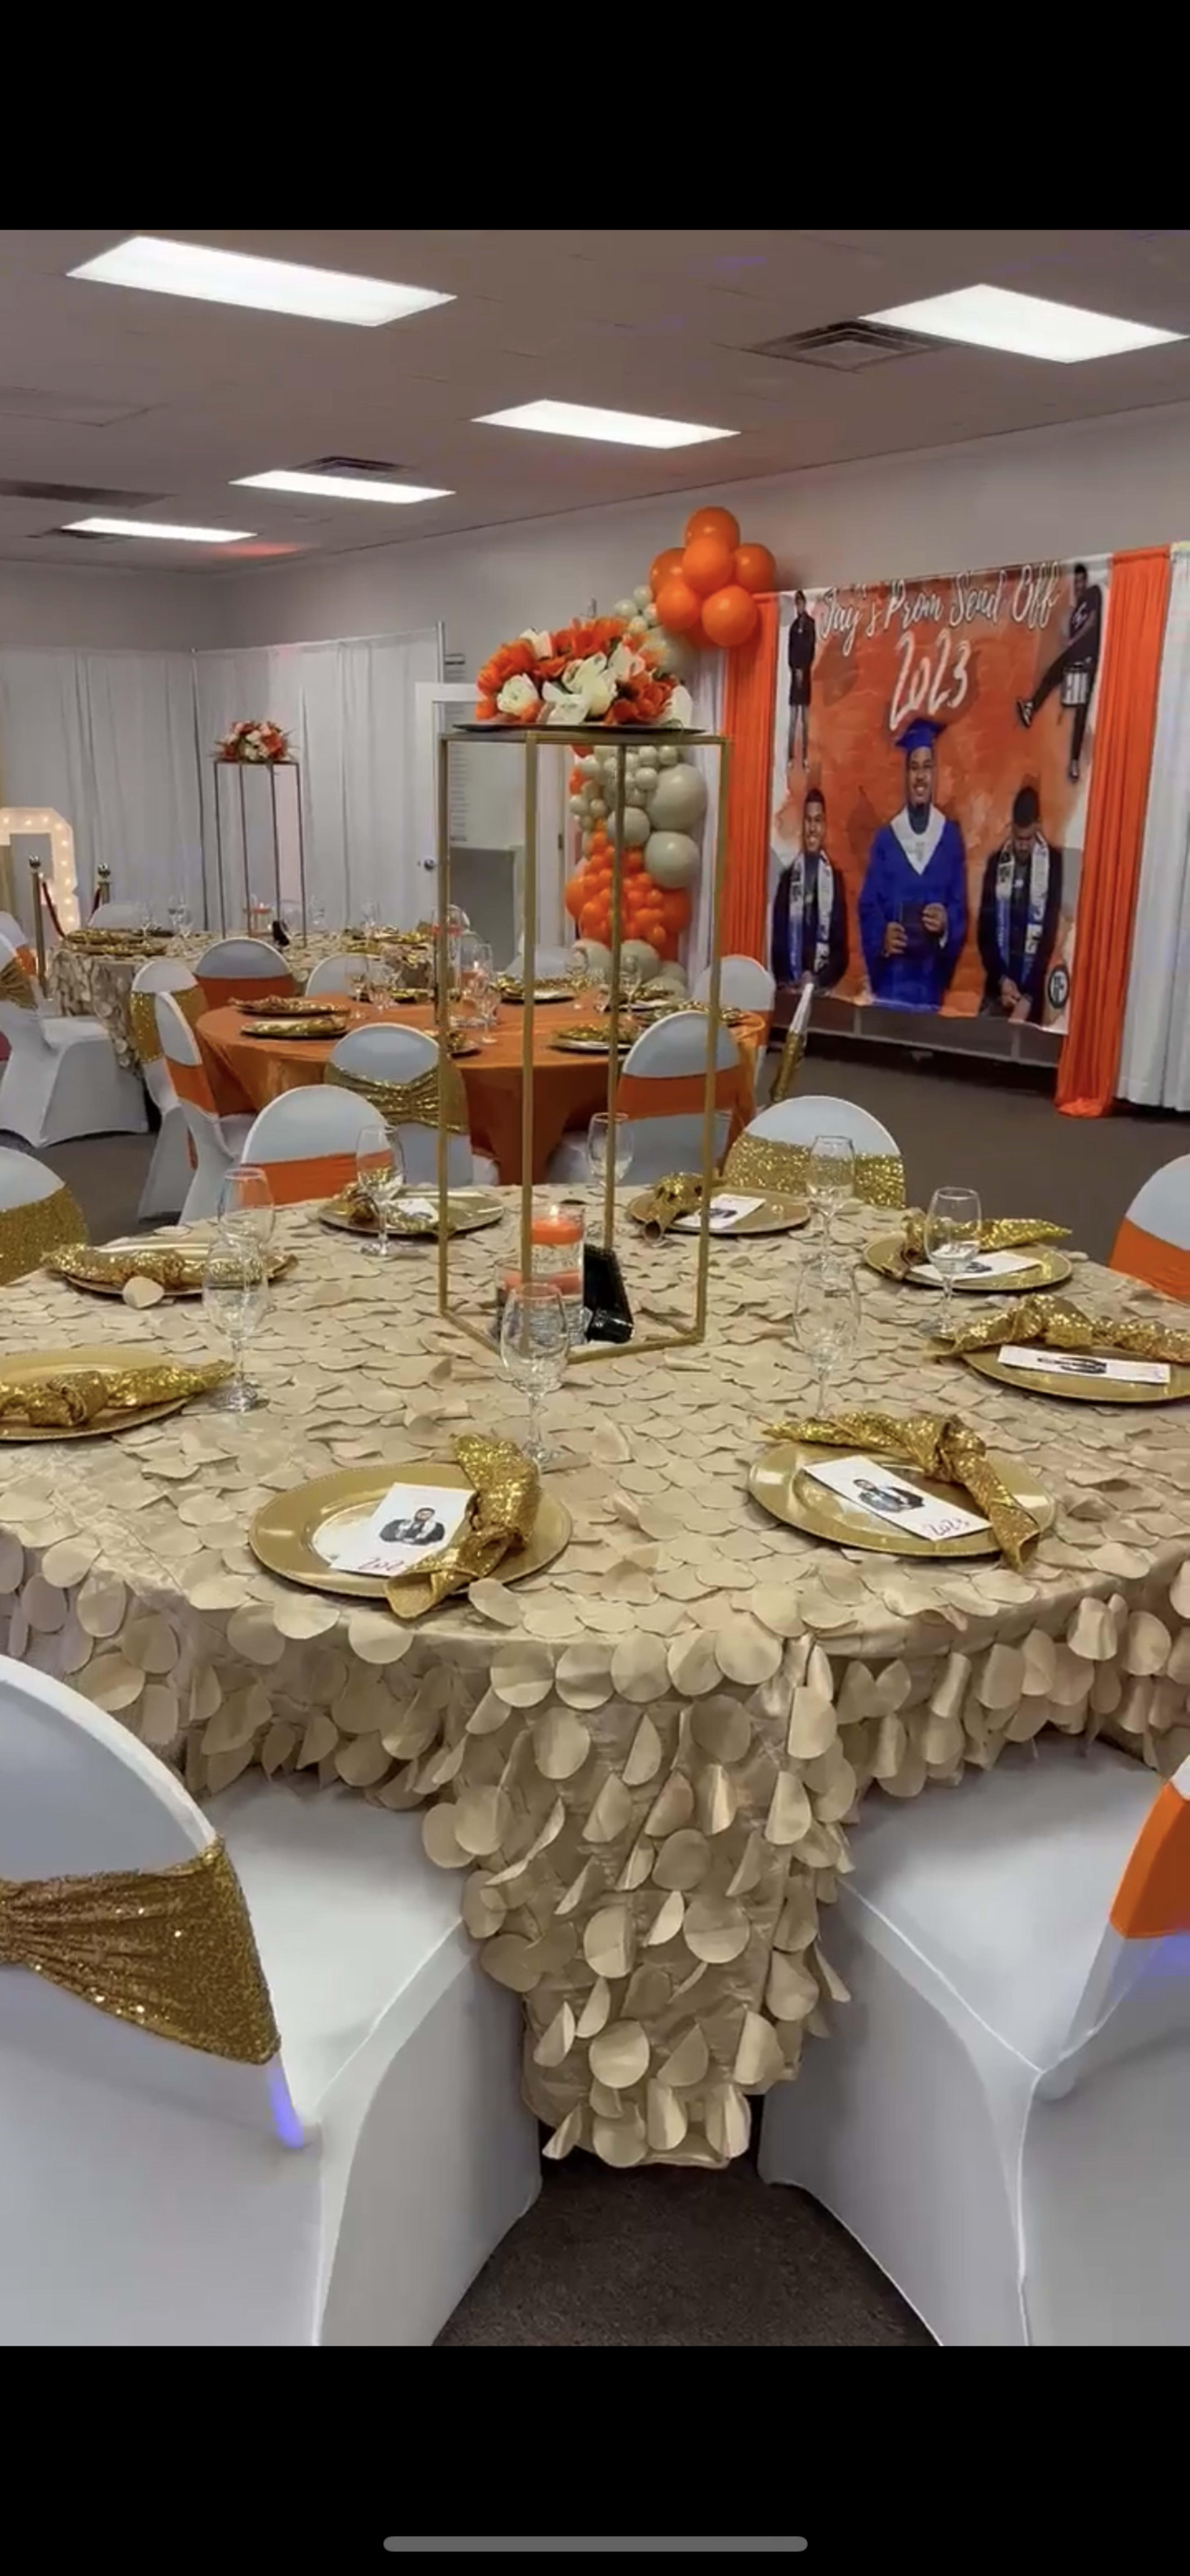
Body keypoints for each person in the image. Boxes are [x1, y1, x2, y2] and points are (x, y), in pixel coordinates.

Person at [858, 716, 967, 1011]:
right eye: (914, 768)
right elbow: (869, 906)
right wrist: (882, 937)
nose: (921, 777)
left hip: (930, 991)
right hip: (892, 988)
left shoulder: (950, 839)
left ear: (935, 776)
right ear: (905, 776)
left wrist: (946, 925)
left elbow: (959, 906)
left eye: (927, 768)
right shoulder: (886, 840)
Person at [976, 784, 1064, 1022]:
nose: (1023, 846)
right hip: (998, 989)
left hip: (1032, 995)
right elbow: (985, 932)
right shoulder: (997, 864)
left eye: (1028, 839)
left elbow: (1050, 935)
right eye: (1018, 838)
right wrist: (1002, 981)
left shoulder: (1054, 866)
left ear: (1038, 826)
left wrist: (1028, 998)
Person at [1016, 563, 1103, 782]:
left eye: (1082, 581)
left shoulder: (1094, 595)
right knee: (1052, 673)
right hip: (1074, 657)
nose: (1079, 586)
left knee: (1082, 712)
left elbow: (1093, 622)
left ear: (1087, 581)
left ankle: (1074, 762)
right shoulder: (1074, 614)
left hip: (1088, 660)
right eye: (1077, 583)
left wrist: (1074, 639)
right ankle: (1031, 708)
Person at [770, 783, 849, 990]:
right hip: (790, 988)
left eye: (818, 821)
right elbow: (778, 943)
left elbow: (841, 951)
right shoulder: (788, 880)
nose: (813, 828)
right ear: (802, 825)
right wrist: (788, 982)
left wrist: (818, 981)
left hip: (822, 992)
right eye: (808, 821)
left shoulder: (835, 881)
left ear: (825, 827)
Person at [787, 589, 816, 767]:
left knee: (805, 721)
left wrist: (803, 670)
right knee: (792, 721)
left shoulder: (811, 625)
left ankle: (805, 758)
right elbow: (790, 651)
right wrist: (794, 669)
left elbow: (811, 648)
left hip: (805, 677)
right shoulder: (793, 626)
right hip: (794, 676)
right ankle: (791, 758)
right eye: (797, 604)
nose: (799, 607)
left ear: (805, 604)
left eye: (801, 603)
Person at [380, 1503, 446, 1547]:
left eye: (428, 1515)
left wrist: (416, 1541)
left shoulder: (436, 1527)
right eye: (422, 1514)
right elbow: (385, 1534)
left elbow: (436, 1541)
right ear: (417, 1514)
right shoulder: (399, 1523)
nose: (424, 1516)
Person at [854, 1478, 924, 1515]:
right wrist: (900, 1508)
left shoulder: (887, 1488)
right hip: (899, 1514)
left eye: (866, 1483)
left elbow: (913, 1496)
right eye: (861, 1485)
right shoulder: (864, 1497)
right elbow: (878, 1507)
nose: (866, 1485)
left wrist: (912, 1504)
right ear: (860, 1487)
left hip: (916, 1508)